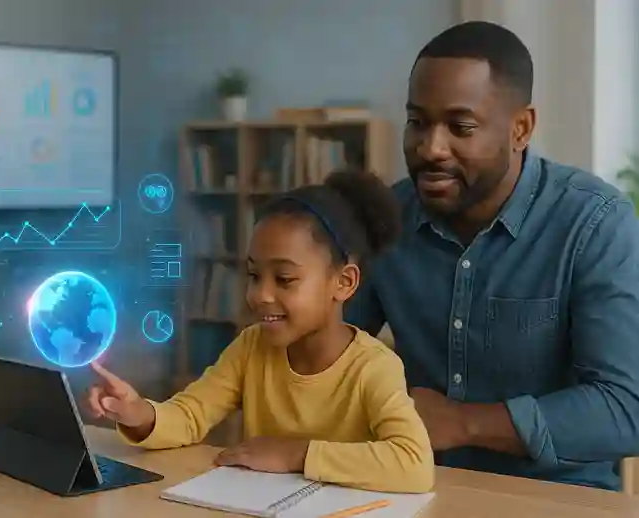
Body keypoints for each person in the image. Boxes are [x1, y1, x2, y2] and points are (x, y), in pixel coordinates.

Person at [345, 20, 639, 491]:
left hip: (558, 498)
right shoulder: (383, 218)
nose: (430, 148)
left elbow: (626, 408)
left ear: (520, 128)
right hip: (417, 486)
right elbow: (327, 354)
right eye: (417, 122)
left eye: (460, 127)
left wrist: (462, 423)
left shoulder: (595, 223)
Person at [86, 169, 435, 493]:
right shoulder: (251, 347)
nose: (260, 295)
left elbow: (414, 463)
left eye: (284, 279)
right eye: (254, 276)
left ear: (343, 282)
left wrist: (296, 454)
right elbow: (190, 416)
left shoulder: (374, 367)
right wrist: (138, 413)